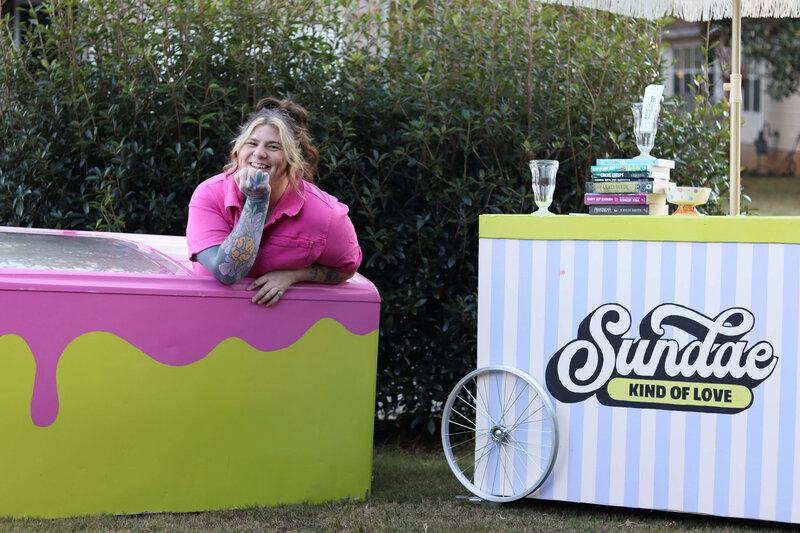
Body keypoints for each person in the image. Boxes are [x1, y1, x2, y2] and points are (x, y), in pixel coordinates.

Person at [186, 97, 362, 307]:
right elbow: (227, 271)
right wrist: (257, 200)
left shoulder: (326, 214)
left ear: (291, 158)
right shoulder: (209, 195)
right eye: (251, 143)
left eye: (273, 147)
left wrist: (295, 275)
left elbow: (346, 267)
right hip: (207, 317)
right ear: (238, 150)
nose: (259, 153)